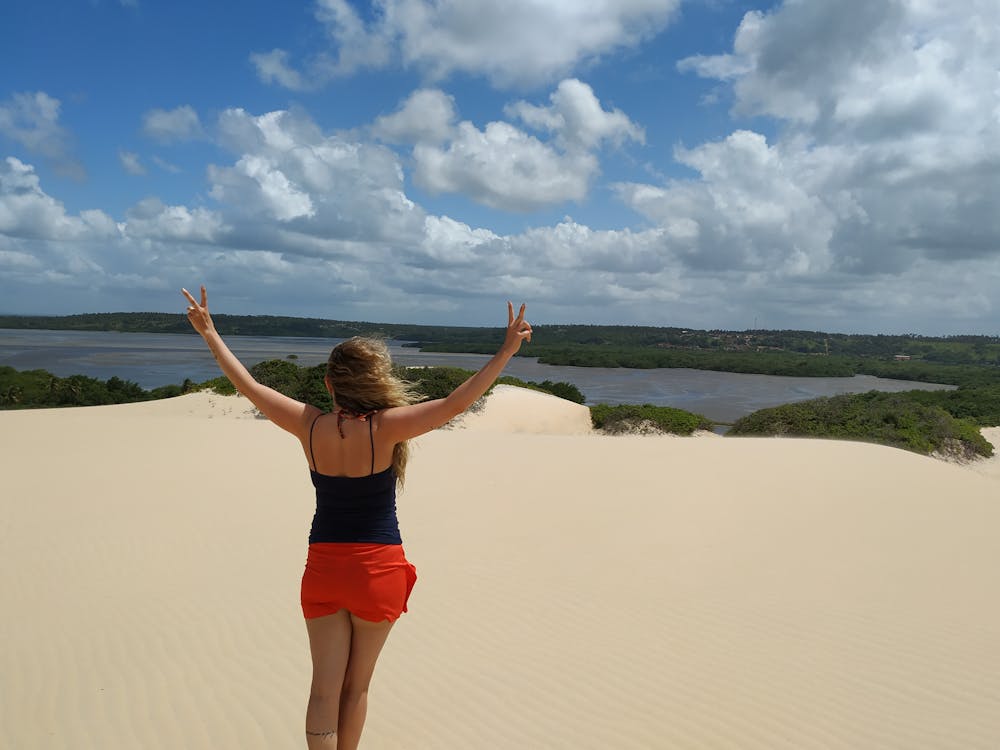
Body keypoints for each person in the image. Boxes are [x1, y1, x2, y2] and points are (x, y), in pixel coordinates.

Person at [181, 286, 532, 749]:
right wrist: (506, 350)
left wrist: (210, 333)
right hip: (378, 571)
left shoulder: (308, 425)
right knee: (357, 687)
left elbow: (249, 386)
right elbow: (455, 403)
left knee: (323, 689)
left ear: (329, 384)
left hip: (324, 570)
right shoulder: (386, 428)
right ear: (377, 381)